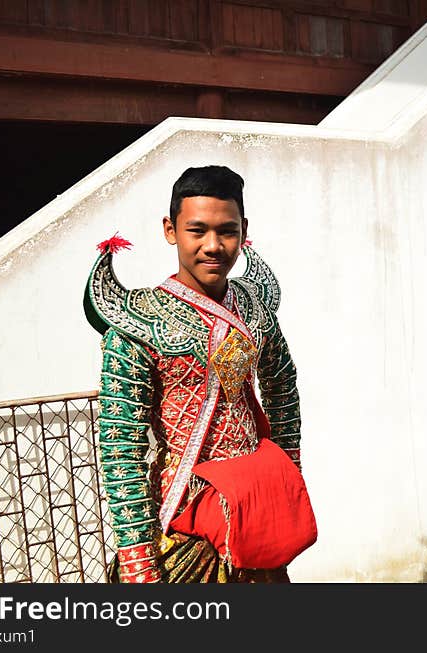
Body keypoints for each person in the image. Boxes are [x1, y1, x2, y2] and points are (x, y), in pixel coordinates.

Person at [83, 165, 316, 583]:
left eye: (227, 231)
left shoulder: (253, 306)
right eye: (197, 231)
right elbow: (121, 446)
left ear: (244, 232)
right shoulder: (139, 321)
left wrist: (286, 474)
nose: (213, 246)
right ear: (170, 230)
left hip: (252, 510)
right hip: (184, 519)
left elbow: (283, 384)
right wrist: (139, 564)